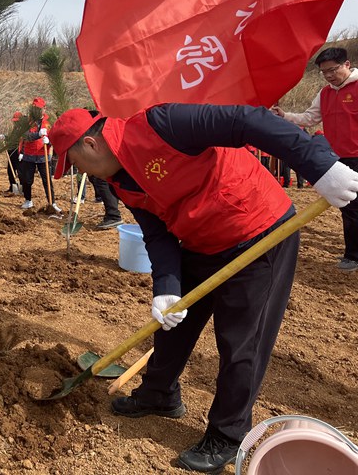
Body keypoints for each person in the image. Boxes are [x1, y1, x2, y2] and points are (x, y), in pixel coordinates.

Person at [49, 104, 358, 473]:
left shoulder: (161, 125)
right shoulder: (120, 180)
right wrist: (166, 286)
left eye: (75, 163)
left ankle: (228, 434)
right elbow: (157, 233)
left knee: (242, 340)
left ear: (91, 144)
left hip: (257, 228)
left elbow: (248, 122)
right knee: (171, 323)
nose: (80, 172)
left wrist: (318, 165)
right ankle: (159, 394)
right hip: (201, 241)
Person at [272, 46, 358, 271]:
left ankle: (353, 255)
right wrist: (285, 116)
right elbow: (309, 118)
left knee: (353, 208)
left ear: (347, 64)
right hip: (339, 158)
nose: (329, 75)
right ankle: (353, 253)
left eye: (333, 70)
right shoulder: (325, 93)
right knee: (348, 207)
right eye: (324, 72)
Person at [18, 97, 58, 211]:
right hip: (29, 155)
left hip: (43, 156)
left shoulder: (49, 122)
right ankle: (28, 200)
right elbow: (26, 136)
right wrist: (38, 135)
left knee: (47, 180)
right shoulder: (27, 122)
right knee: (27, 180)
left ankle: (52, 203)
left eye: (39, 109)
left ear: (44, 108)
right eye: (35, 109)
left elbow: (54, 137)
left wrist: (49, 141)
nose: (37, 111)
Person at [6, 111, 23, 194]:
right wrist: (5, 137)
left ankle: (22, 188)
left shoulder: (23, 129)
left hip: (18, 152)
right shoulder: (15, 129)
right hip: (11, 152)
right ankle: (12, 186)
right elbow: (11, 139)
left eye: (17, 121)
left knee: (20, 172)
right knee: (10, 170)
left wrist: (22, 152)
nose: (15, 123)